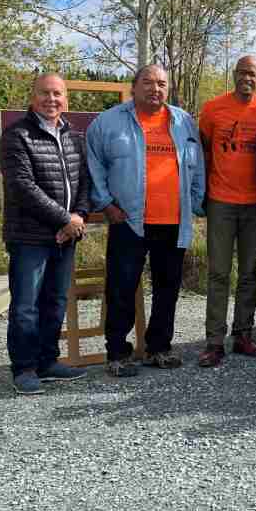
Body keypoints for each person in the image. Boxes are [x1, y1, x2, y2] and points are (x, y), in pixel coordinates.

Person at [86, 64, 206, 376]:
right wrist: (106, 204)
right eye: (148, 82)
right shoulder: (108, 122)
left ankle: (159, 349)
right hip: (129, 220)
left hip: (174, 222)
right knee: (121, 288)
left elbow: (198, 165)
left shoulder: (183, 121)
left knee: (168, 290)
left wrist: (195, 201)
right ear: (134, 86)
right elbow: (94, 165)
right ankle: (117, 353)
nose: (155, 89)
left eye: (162, 83)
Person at [0, 73, 91, 395]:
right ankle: (24, 368)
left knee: (56, 301)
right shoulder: (17, 136)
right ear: (32, 96)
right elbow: (23, 187)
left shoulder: (74, 138)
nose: (51, 100)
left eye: (57, 94)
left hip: (67, 237)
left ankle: (48, 361)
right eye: (44, 93)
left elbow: (85, 184)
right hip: (30, 237)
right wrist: (65, 220)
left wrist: (77, 219)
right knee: (26, 305)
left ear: (66, 99)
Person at [196, 55, 256, 367]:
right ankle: (214, 341)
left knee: (249, 273)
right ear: (234, 75)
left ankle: (243, 335)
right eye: (243, 72)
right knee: (218, 272)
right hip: (221, 200)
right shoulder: (213, 109)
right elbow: (203, 151)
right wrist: (201, 193)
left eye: (253, 74)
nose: (248, 78)